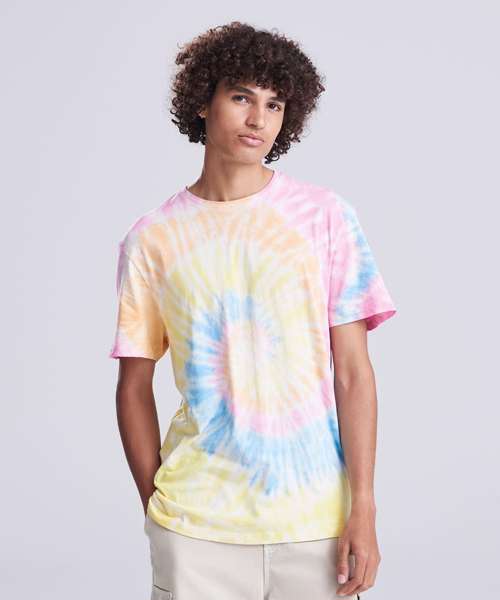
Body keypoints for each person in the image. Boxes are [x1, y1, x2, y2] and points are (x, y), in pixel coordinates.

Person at [109, 21, 397, 600]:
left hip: (316, 522)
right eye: (241, 97)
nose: (258, 119)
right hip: (196, 526)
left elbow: (353, 372)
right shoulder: (153, 239)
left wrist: (363, 505)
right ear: (203, 102)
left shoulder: (325, 217)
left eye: (274, 104)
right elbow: (133, 385)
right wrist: (157, 509)